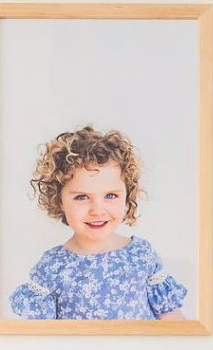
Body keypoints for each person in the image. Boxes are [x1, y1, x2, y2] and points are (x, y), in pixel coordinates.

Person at [10, 126, 187, 320]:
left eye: (110, 195)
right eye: (81, 197)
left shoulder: (141, 256)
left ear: (127, 197)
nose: (97, 210)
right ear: (59, 200)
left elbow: (173, 322)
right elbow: (40, 340)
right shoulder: (52, 267)